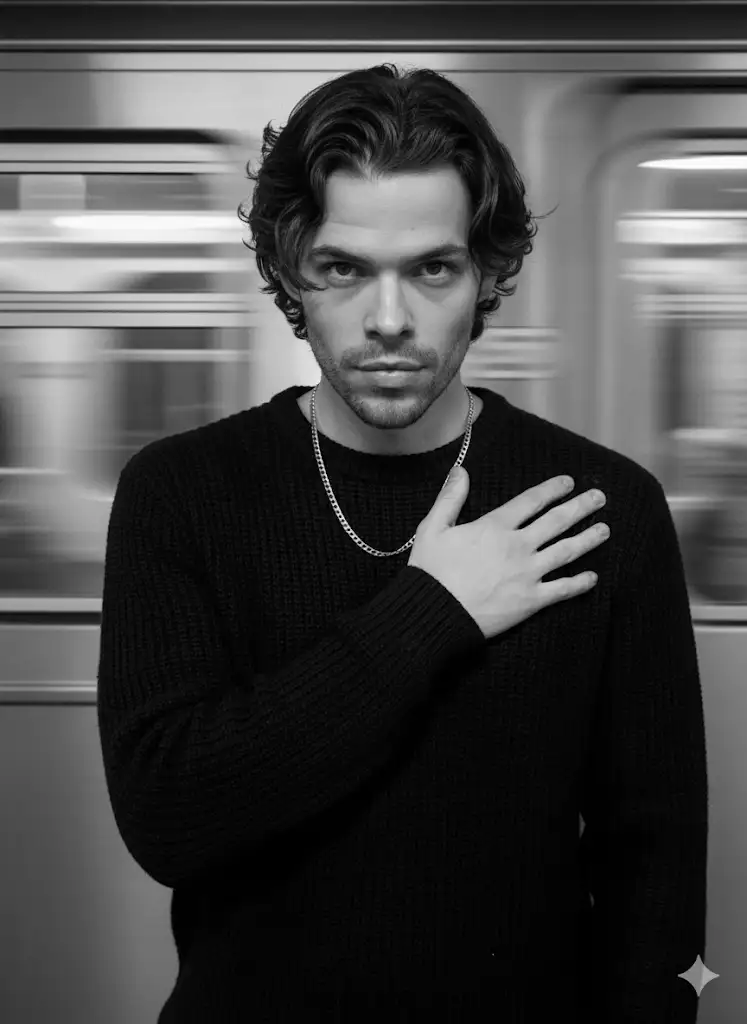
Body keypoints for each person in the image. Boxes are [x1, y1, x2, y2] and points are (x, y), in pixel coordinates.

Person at [96, 64, 708, 1022]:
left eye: (432, 267)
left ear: (487, 274)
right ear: (291, 269)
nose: (389, 320)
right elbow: (170, 818)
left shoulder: (604, 506)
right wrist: (432, 612)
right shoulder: (180, 493)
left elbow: (654, 871)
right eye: (344, 268)